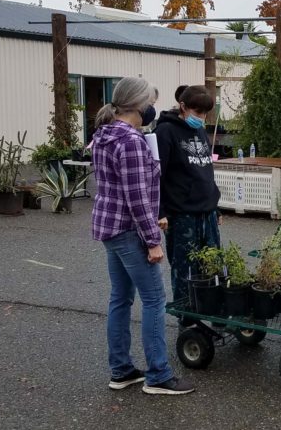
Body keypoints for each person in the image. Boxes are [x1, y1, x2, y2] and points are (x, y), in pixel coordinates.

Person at [90, 76, 194, 396]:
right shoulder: (132, 141)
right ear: (138, 105)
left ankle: (121, 370)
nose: (152, 107)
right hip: (129, 231)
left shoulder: (104, 135)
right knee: (153, 300)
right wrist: (152, 240)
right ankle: (158, 375)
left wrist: (152, 219)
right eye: (149, 102)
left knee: (120, 299)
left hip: (110, 227)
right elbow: (135, 197)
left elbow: (120, 192)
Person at [154, 85, 221, 307]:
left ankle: (211, 309)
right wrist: (160, 211)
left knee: (212, 264)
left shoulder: (199, 130)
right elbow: (156, 174)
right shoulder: (165, 132)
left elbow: (205, 170)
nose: (201, 118)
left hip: (206, 211)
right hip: (181, 213)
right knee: (185, 267)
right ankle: (187, 315)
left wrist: (214, 204)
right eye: (197, 112)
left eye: (204, 113)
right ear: (183, 107)